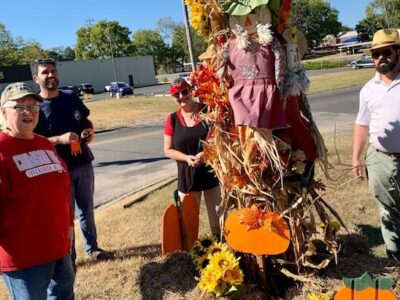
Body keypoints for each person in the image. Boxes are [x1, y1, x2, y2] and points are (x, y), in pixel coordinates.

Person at [32, 58, 114, 265]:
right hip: (57, 171)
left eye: (53, 71)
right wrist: (59, 139)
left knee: (86, 210)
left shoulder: (70, 97)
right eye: (45, 72)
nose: (51, 75)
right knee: (65, 217)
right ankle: (70, 257)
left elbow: (85, 121)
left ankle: (93, 248)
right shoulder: (35, 108)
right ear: (36, 78)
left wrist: (88, 131)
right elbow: (34, 142)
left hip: (84, 163)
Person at [0, 82, 75, 299]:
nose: (28, 112)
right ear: (3, 113)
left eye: (33, 107)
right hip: (24, 261)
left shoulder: (44, 143)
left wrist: (69, 224)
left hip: (59, 247)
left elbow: (62, 187)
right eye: (20, 106)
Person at [352, 29, 400, 263]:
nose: (381, 57)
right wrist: (355, 158)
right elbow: (362, 124)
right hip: (378, 159)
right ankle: (395, 257)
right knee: (387, 211)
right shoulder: (368, 89)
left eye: (386, 52)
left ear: (397, 52)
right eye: (376, 54)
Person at [164, 78, 221, 236]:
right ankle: (192, 257)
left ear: (190, 91)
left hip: (211, 175)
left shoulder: (207, 111)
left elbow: (220, 141)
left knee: (218, 222)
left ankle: (221, 252)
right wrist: (186, 158)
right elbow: (168, 150)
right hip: (187, 178)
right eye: (176, 94)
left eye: (184, 92)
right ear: (172, 97)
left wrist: (206, 154)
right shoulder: (172, 120)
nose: (181, 97)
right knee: (188, 226)